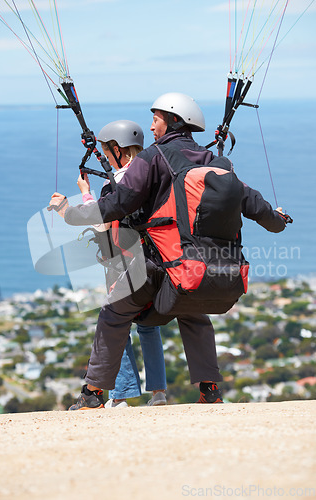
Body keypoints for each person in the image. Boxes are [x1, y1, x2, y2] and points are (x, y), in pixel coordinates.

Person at [49, 92, 287, 409]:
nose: (152, 125)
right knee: (192, 312)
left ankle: (93, 393)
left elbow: (117, 203)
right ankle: (210, 390)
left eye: (156, 118)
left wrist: (71, 214)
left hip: (156, 264)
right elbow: (259, 209)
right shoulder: (217, 163)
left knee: (114, 313)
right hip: (201, 269)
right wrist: (280, 220)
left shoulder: (153, 157)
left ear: (174, 121)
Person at [80, 119, 167, 408]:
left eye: (106, 153)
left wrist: (85, 193)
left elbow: (101, 221)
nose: (105, 158)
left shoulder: (115, 184)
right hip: (159, 260)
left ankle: (123, 394)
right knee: (149, 325)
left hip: (124, 263)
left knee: (117, 325)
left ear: (118, 150)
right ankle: (158, 392)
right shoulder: (153, 176)